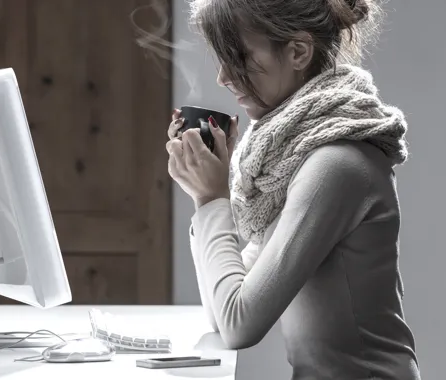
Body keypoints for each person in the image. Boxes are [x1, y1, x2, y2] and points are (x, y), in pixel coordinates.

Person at [165, 0, 420, 379]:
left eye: (238, 56)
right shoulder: (294, 155)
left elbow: (239, 325)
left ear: (298, 51)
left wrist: (210, 200)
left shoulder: (335, 163)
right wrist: (204, 198)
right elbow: (225, 311)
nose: (222, 76)